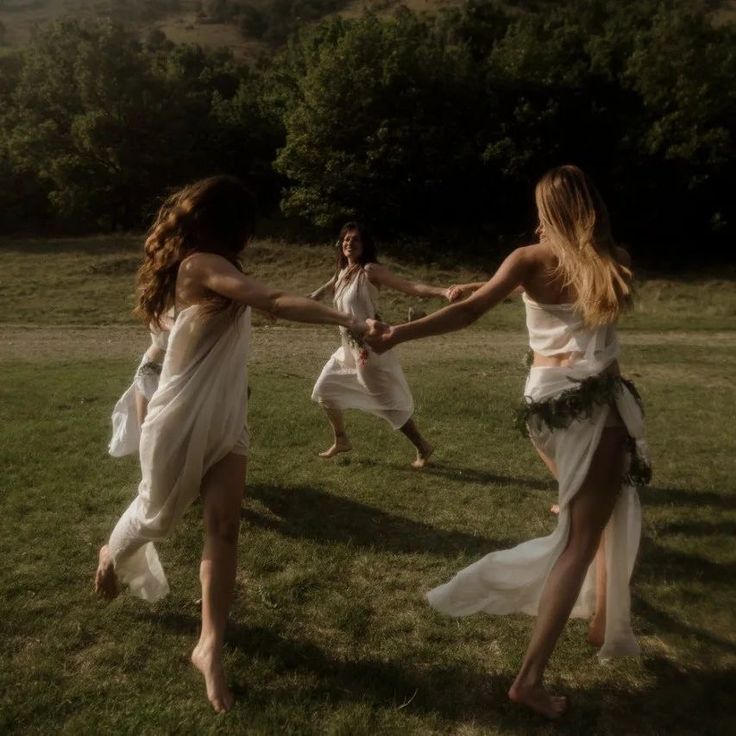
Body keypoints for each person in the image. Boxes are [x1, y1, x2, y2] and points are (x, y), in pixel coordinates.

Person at [366, 165, 650, 719]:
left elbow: (477, 309)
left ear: (547, 212)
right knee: (579, 538)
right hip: (594, 403)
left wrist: (399, 332)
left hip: (545, 401)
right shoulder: (614, 262)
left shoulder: (528, 261)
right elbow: (553, 302)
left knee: (606, 506)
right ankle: (529, 679)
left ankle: (601, 621)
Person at [94, 176, 383, 713]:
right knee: (156, 517)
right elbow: (272, 300)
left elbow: (264, 302)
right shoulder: (200, 265)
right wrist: (348, 318)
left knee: (224, 528)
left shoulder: (219, 266)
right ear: (236, 228)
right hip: (178, 419)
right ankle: (113, 550)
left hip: (228, 418)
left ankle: (209, 645)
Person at [310, 222, 453, 467]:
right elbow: (323, 290)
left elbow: (409, 287)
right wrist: (302, 302)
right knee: (324, 390)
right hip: (348, 349)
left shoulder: (369, 271)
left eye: (355, 240)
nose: (349, 243)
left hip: (370, 350)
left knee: (387, 404)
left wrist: (443, 292)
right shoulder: (343, 272)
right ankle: (341, 439)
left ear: (365, 245)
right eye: (345, 239)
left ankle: (423, 446)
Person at [108, 316, 172, 457]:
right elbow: (155, 320)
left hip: (177, 372)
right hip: (153, 371)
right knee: (149, 439)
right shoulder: (167, 299)